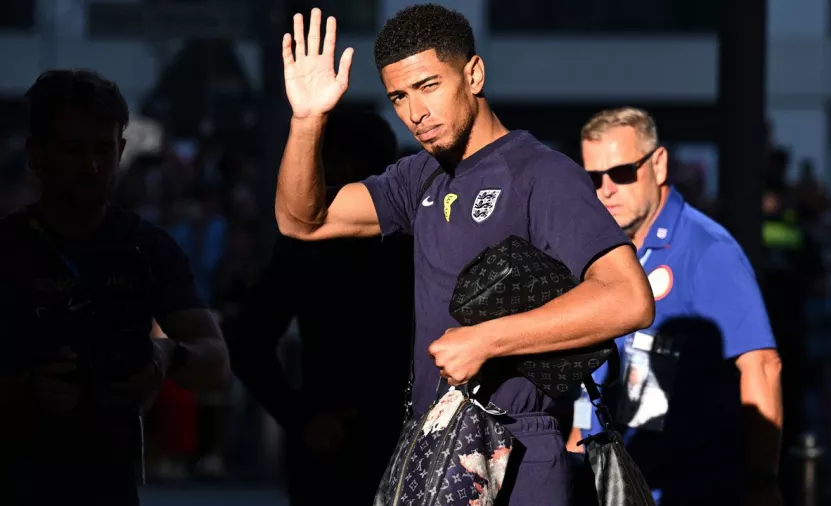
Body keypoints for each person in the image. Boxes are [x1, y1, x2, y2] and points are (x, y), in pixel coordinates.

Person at [273, 5, 655, 505]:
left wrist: (487, 340)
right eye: (399, 97)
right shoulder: (418, 176)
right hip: (434, 442)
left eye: (429, 86)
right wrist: (307, 119)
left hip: (520, 446)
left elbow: (629, 299)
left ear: (473, 74)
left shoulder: (542, 173)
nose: (415, 113)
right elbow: (303, 220)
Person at [0, 69, 230, 505]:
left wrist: (166, 355)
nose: (91, 166)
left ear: (121, 149)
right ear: (36, 153)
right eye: (73, 150)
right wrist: (25, 392)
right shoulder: (8, 250)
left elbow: (215, 362)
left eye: (103, 150)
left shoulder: (146, 247)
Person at [566, 107, 783, 506]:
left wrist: (762, 482)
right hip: (607, 482)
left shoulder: (706, 250)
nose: (607, 188)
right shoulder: (600, 253)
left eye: (622, 172)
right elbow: (592, 378)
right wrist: (576, 451)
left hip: (689, 485)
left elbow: (762, 365)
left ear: (659, 164)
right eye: (593, 177)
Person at [229, 109, 414, 505]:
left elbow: (247, 340)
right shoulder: (418, 234)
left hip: (336, 441)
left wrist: (300, 419)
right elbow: (246, 341)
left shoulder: (309, 241)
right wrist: (301, 419)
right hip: (379, 439)